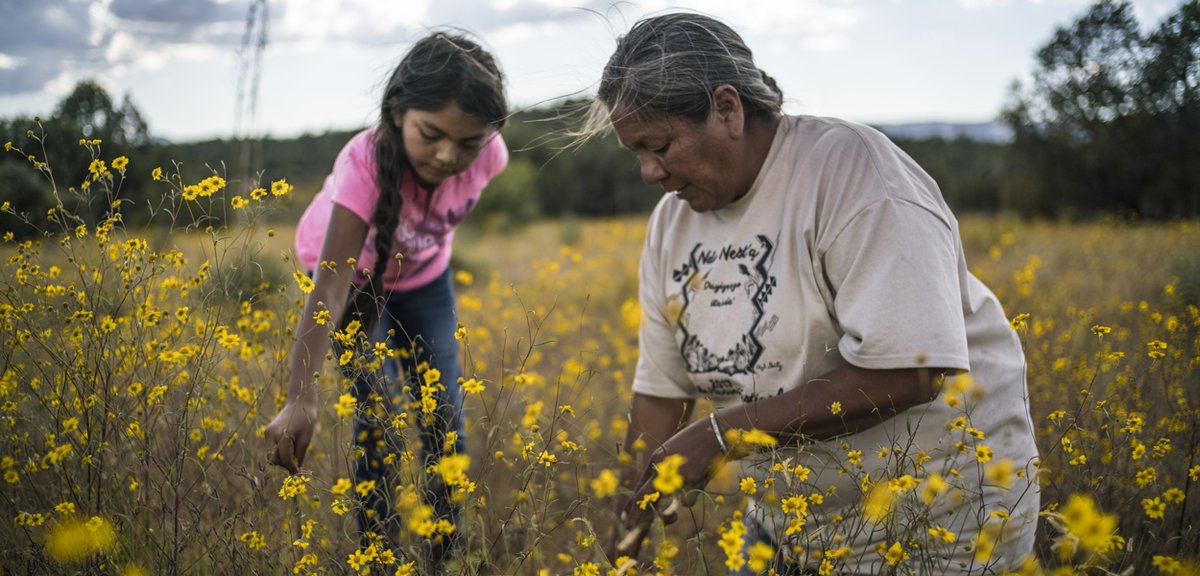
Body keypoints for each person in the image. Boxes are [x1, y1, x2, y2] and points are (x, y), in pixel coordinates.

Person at [589, 13, 1041, 575]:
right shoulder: (672, 224)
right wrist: (621, 546)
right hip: (789, 524)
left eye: (658, 145)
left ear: (727, 109)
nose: (648, 173)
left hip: (934, 521)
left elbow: (911, 369)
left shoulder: (854, 174)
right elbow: (661, 394)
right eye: (635, 153)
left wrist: (722, 434)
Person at [264, 31, 508, 567]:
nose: (448, 156)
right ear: (397, 112)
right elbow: (329, 286)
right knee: (379, 420)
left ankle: (445, 558)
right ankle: (378, 559)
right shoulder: (364, 166)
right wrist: (300, 396)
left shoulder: (491, 156)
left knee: (445, 419)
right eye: (431, 134)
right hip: (349, 284)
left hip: (424, 280)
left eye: (468, 143)